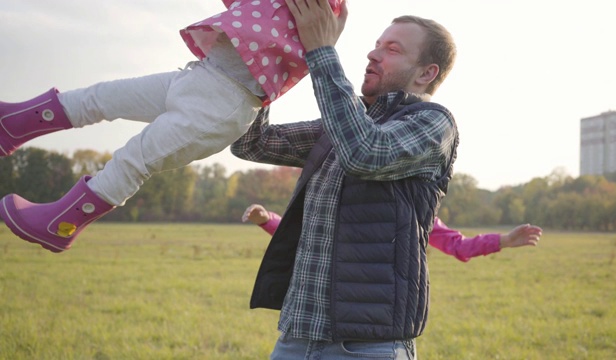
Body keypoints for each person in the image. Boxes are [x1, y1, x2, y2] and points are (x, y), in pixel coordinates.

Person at [0, 0, 344, 253]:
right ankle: (12, 125)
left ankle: (60, 225)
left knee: (134, 158)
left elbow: (312, 42)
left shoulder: (328, 8)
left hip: (224, 103)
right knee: (101, 96)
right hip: (199, 75)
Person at [231, 1, 456, 358]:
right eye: (377, 44)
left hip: (367, 348)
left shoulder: (433, 123)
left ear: (426, 73)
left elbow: (365, 153)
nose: (373, 53)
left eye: (392, 49)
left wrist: (321, 50)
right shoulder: (346, 125)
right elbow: (252, 143)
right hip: (294, 338)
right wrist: (270, 61)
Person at [242, 204, 543, 262]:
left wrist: (503, 240)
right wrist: (266, 219)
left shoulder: (413, 211)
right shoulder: (344, 198)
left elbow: (457, 245)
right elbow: (306, 233)